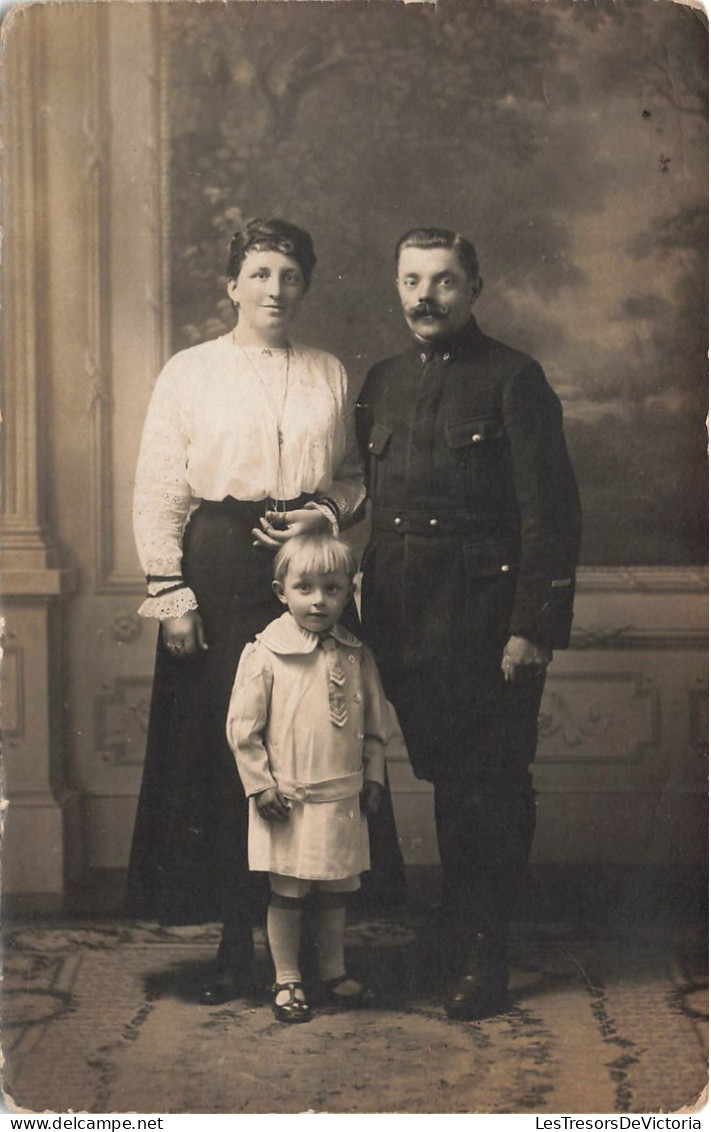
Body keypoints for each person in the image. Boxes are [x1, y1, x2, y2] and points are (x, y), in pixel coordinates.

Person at [127, 218, 395, 1005]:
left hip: (304, 560)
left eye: (289, 275)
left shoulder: (326, 372)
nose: (275, 289)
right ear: (232, 285)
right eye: (260, 273)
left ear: (303, 286)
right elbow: (159, 485)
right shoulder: (190, 371)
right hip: (216, 558)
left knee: (310, 734)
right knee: (230, 742)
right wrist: (170, 591)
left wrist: (321, 511)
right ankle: (231, 941)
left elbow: (350, 478)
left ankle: (312, 939)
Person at [357, 227, 582, 1021]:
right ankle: (452, 935)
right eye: (411, 280)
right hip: (404, 624)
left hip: (488, 626)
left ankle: (485, 952)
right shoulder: (380, 382)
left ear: (473, 288)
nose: (425, 296)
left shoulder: (515, 380)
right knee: (449, 782)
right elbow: (374, 508)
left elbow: (550, 517)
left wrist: (531, 626)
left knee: (490, 787)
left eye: (444, 281)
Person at [226, 533, 390, 1022]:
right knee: (289, 890)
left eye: (333, 588)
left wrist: (374, 778)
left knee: (337, 886)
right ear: (282, 591)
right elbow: (242, 729)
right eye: (305, 588)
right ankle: (287, 978)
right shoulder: (265, 653)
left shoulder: (357, 654)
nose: (319, 600)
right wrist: (260, 784)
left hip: (342, 794)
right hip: (288, 799)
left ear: (348, 591)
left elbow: (376, 728)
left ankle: (333, 970)